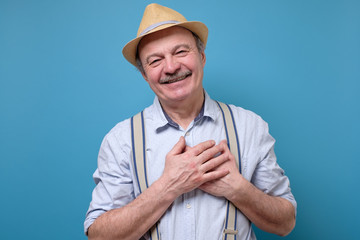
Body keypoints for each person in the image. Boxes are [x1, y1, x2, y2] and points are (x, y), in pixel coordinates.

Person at [84, 3, 296, 240]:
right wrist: (168, 186)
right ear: (145, 75)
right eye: (155, 61)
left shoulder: (250, 126)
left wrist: (239, 189)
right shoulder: (121, 140)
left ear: (202, 57)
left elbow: (285, 223)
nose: (171, 67)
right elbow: (99, 236)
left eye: (181, 52)